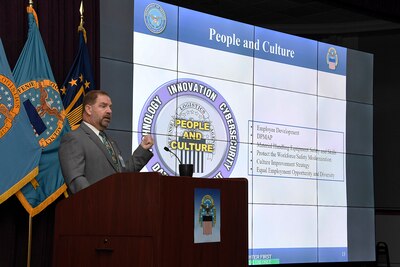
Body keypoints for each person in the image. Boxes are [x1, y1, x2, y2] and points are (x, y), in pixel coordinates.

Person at [58, 90, 154, 194]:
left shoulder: (109, 142)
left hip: (114, 206)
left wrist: (143, 149)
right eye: (103, 106)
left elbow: (123, 175)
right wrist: (94, 202)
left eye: (110, 107)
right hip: (93, 207)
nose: (109, 111)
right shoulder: (74, 138)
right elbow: (76, 179)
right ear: (88, 109)